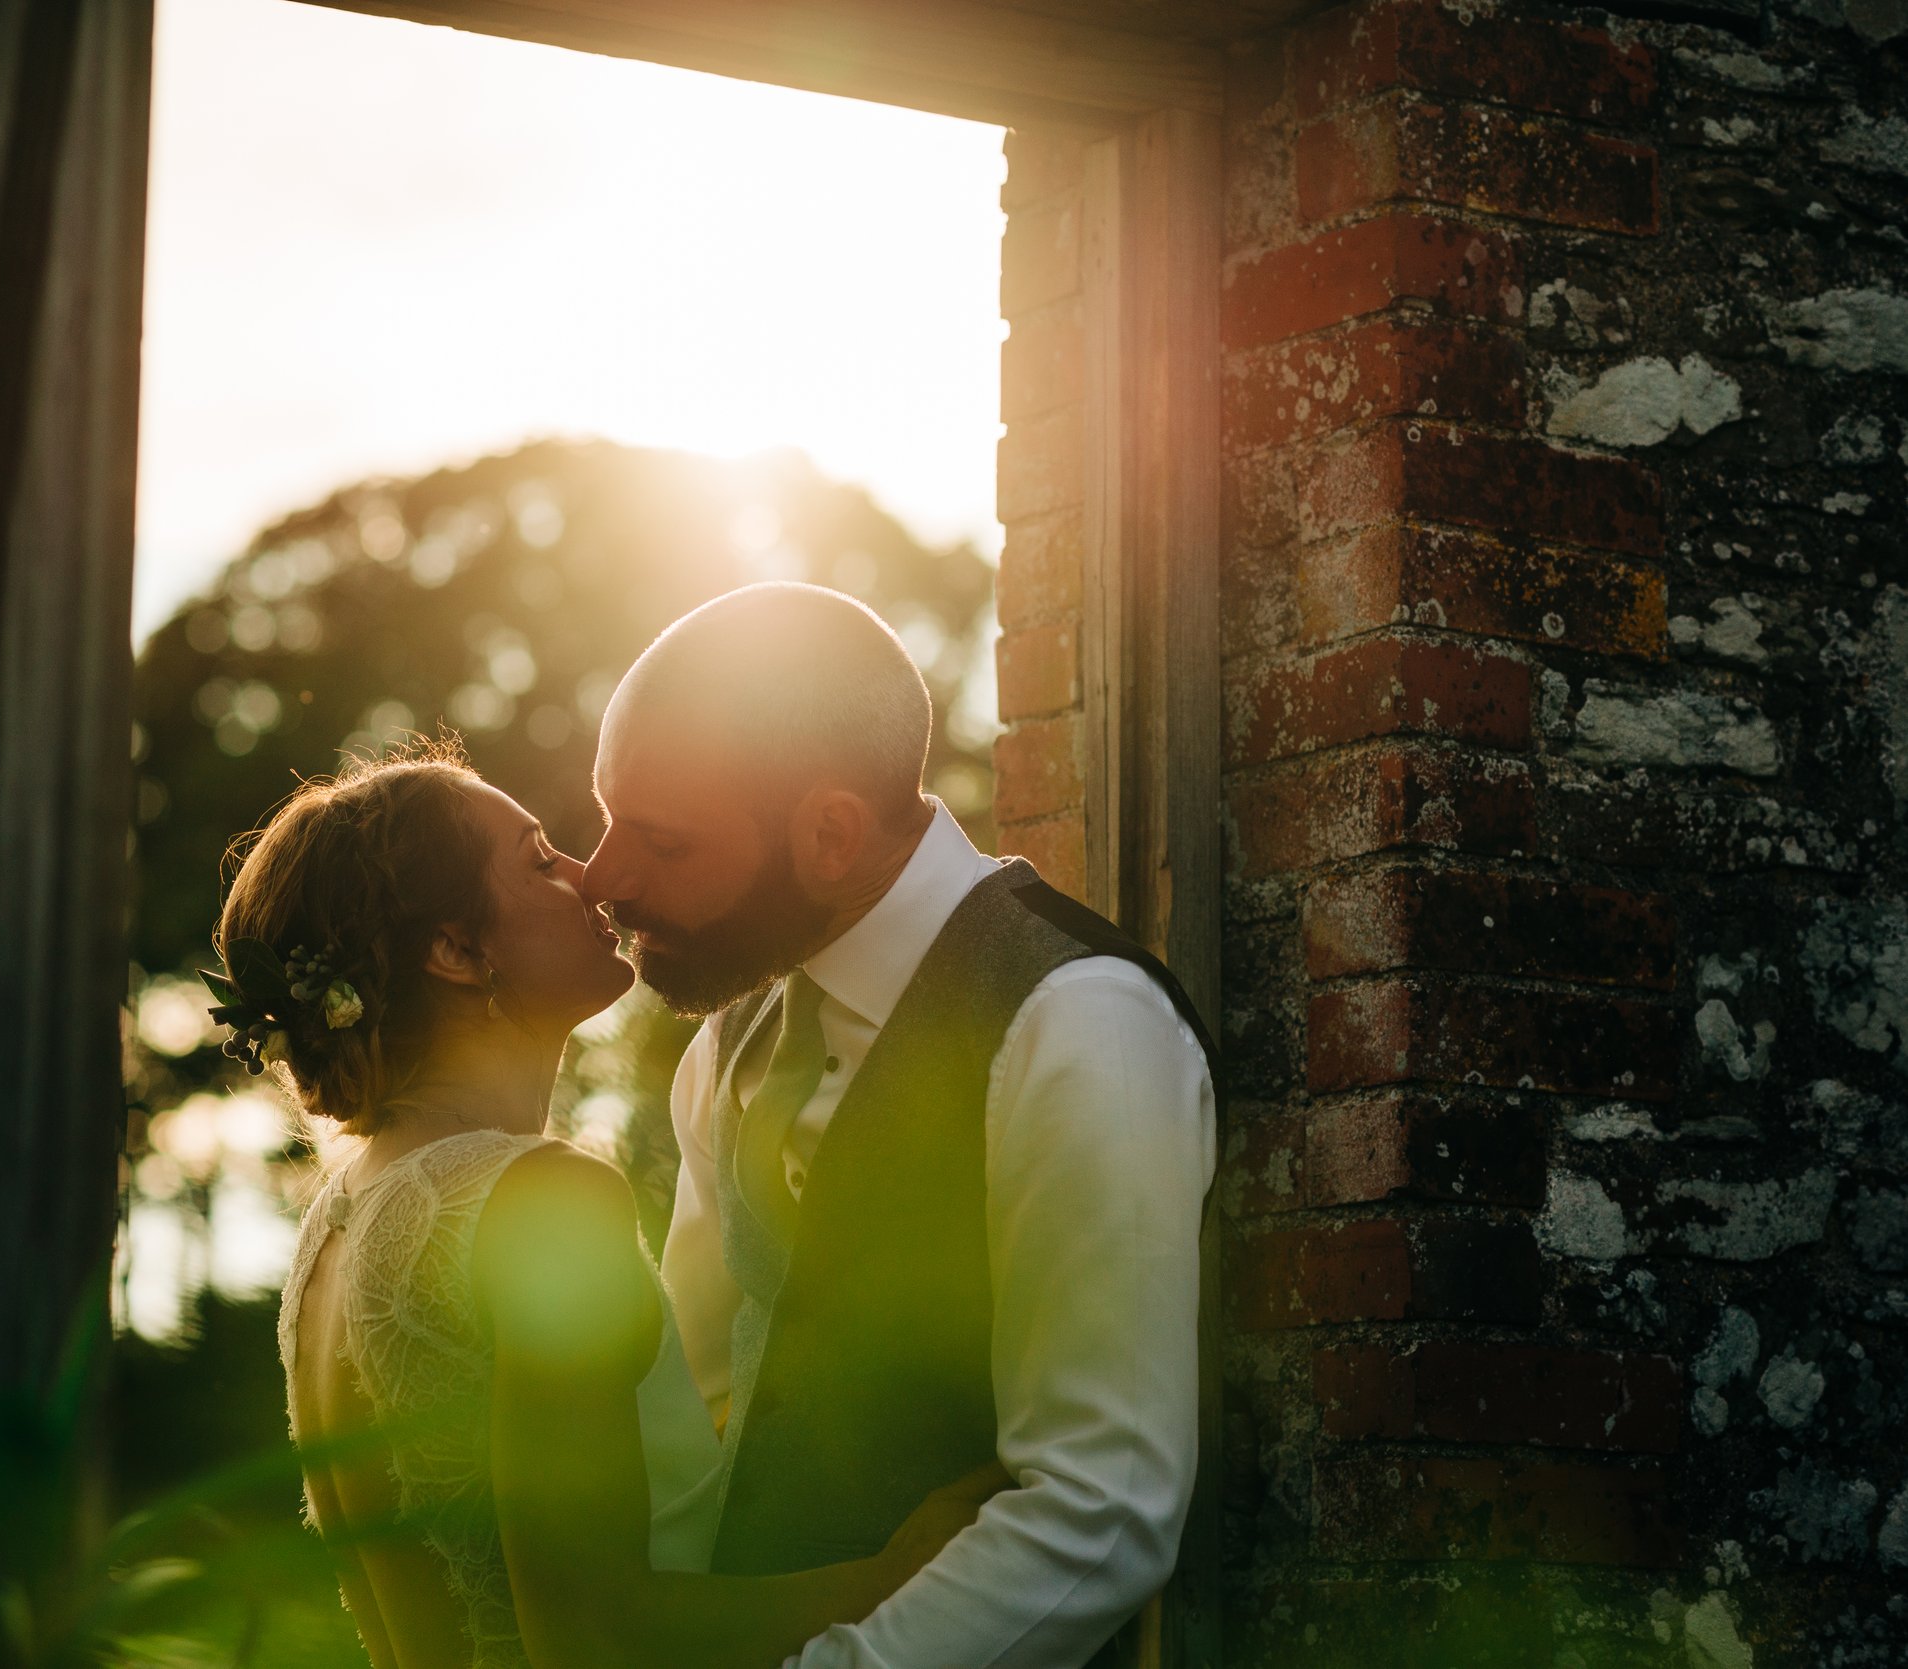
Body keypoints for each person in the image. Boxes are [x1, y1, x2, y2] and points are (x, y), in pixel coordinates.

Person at [222, 743, 996, 1669]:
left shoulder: (337, 1223)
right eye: (542, 859)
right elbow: (600, 1638)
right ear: (457, 950)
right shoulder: (544, 1200)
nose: (590, 877)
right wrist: (897, 1570)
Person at [580, 582, 1220, 1669]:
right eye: (604, 820)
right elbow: (694, 1432)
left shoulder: (1077, 1025)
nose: (602, 878)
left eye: (662, 843)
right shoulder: (728, 1046)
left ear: (830, 833)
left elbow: (1100, 1507)